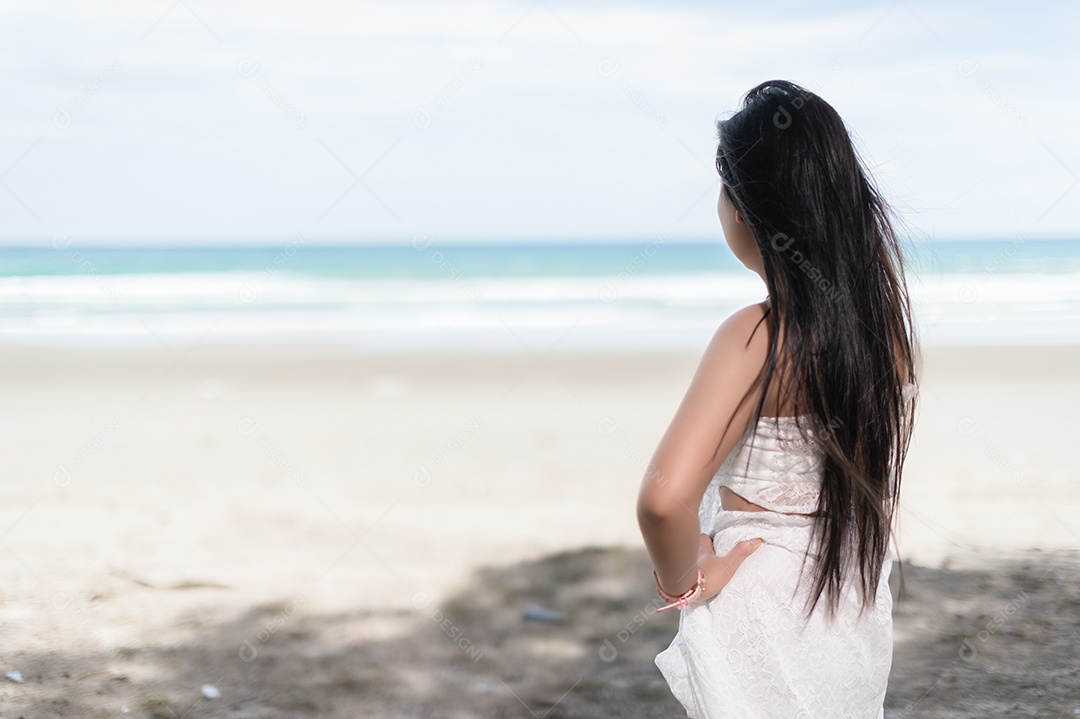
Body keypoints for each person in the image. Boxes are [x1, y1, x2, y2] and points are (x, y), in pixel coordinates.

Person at [637, 79, 919, 718]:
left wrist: (684, 583)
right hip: (849, 601)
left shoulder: (757, 334)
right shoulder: (885, 333)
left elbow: (663, 498)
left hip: (760, 607)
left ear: (745, 208)